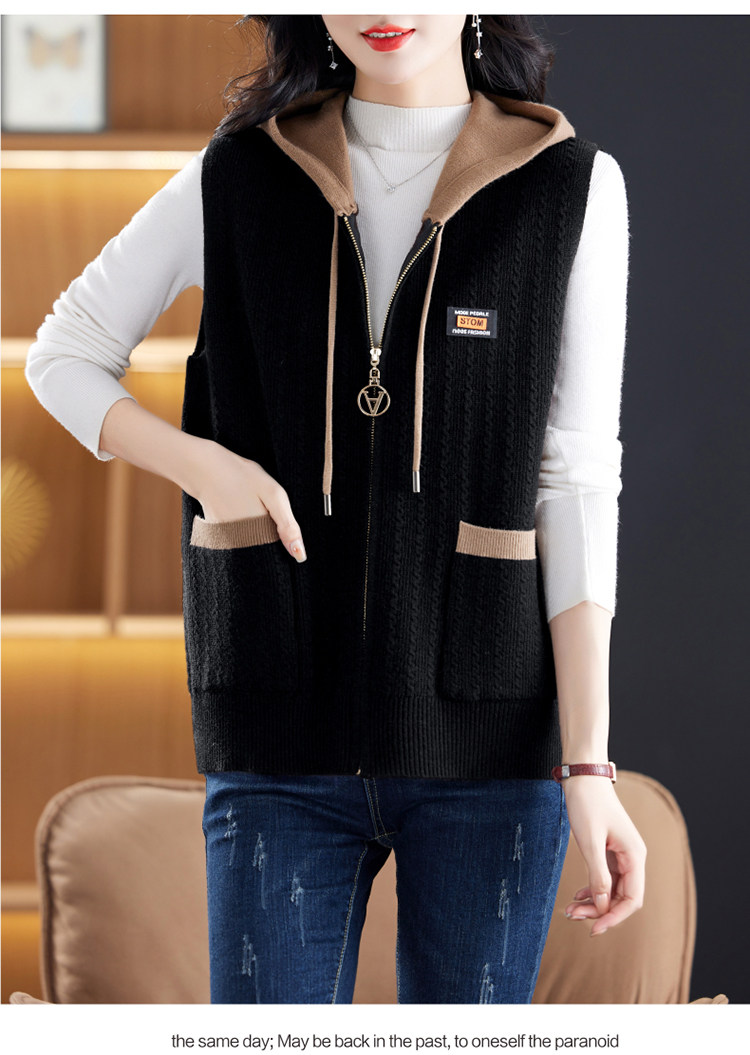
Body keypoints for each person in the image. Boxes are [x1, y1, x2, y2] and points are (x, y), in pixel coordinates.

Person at [25, 14, 647, 1004]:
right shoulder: (237, 176)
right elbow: (63, 354)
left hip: (491, 740)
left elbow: (573, 480)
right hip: (278, 721)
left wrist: (588, 762)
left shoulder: (570, 188)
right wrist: (207, 468)